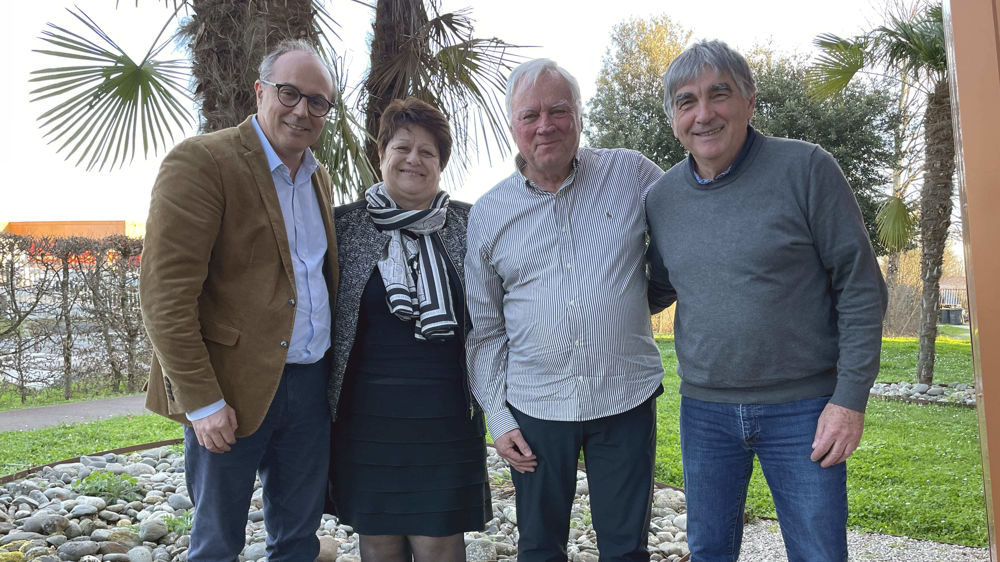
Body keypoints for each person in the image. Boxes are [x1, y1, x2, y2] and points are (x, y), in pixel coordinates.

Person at [645, 39, 888, 561]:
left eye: (719, 94)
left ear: (750, 101)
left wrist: (848, 400)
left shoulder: (806, 169)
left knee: (818, 553)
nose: (704, 114)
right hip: (705, 411)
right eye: (687, 101)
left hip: (804, 409)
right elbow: (658, 287)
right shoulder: (662, 199)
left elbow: (860, 286)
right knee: (709, 552)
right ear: (673, 118)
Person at [140, 39, 338, 561]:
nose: (302, 110)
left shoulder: (319, 178)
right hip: (229, 392)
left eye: (317, 102)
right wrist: (203, 402)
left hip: (310, 388)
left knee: (297, 540)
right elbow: (165, 295)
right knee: (216, 543)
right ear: (260, 91)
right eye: (290, 93)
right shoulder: (203, 161)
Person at [465, 58, 666, 561]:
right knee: (538, 548)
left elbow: (683, 238)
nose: (545, 125)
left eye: (558, 110)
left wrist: (637, 301)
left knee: (626, 550)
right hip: (535, 406)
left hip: (624, 395)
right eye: (530, 115)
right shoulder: (489, 212)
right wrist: (498, 415)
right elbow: (486, 330)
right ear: (513, 124)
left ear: (579, 114)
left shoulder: (632, 173)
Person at [328, 97, 490, 562]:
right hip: (366, 419)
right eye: (402, 147)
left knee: (439, 541)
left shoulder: (471, 224)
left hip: (446, 417)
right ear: (381, 155)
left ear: (441, 166)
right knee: (378, 543)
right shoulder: (342, 227)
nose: (414, 159)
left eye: (428, 152)